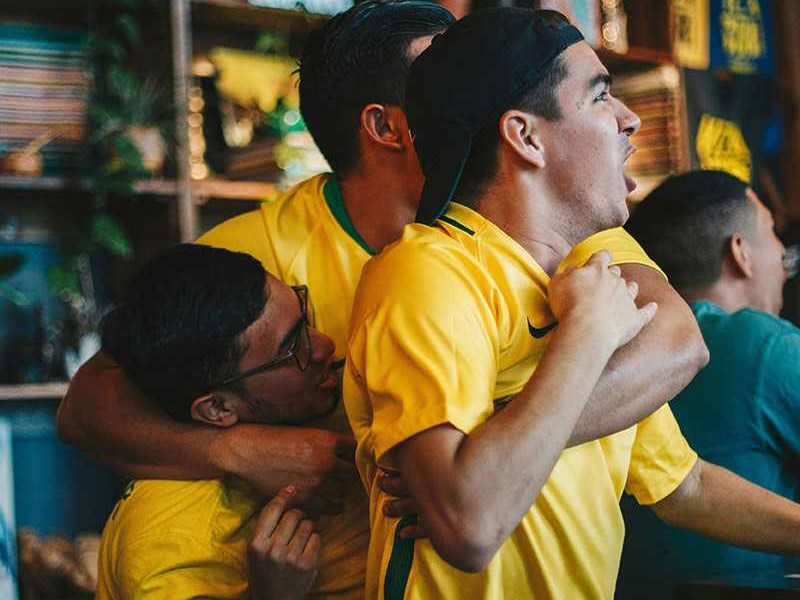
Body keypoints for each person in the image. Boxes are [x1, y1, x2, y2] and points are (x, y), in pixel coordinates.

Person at [59, 1, 704, 597]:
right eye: (446, 69)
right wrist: (240, 450)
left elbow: (677, 342)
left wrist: (483, 448)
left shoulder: (550, 221)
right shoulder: (258, 253)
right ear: (388, 126)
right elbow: (88, 406)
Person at [344, 9, 800, 600]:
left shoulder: (583, 278)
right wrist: (584, 335)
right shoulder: (427, 272)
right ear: (525, 137)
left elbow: (683, 486)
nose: (631, 119)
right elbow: (469, 524)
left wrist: (503, 439)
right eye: (601, 96)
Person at [95, 244, 334, 600]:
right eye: (293, 347)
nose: (325, 345)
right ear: (217, 408)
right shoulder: (168, 550)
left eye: (306, 319)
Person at [618, 170, 800, 599]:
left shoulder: (617, 349)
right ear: (740, 253)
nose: (783, 256)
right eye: (772, 234)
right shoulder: (764, 345)